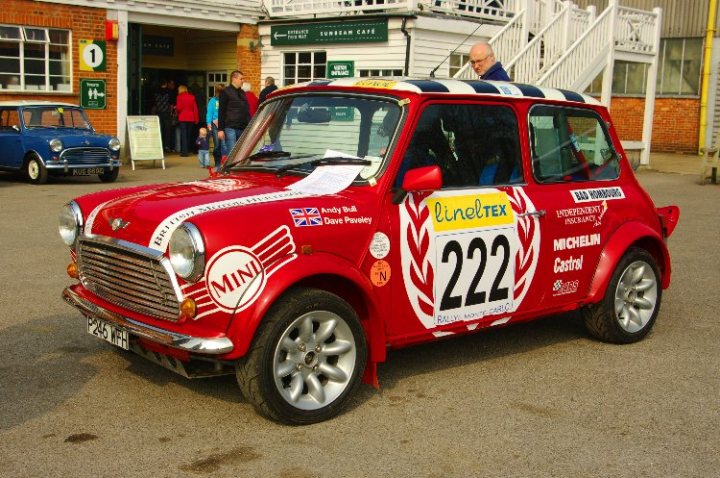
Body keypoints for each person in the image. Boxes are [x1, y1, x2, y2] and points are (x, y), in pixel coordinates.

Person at [218, 70, 250, 156]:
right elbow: (221, 111)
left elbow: (246, 110)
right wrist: (220, 129)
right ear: (234, 79)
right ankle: (229, 169)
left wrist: (249, 125)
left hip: (242, 127)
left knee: (240, 153)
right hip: (230, 127)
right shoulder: (225, 92)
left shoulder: (242, 93)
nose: (243, 81)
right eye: (241, 79)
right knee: (232, 152)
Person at [175, 84, 199, 157]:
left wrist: (176, 109)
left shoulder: (179, 97)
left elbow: (179, 108)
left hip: (182, 117)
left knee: (183, 135)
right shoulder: (192, 97)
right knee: (188, 135)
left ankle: (184, 152)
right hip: (191, 118)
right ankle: (187, 149)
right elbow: (195, 109)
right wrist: (196, 118)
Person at [206, 83, 225, 170]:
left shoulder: (226, 100)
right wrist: (209, 123)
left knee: (224, 145)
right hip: (214, 125)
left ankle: (223, 162)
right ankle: (217, 162)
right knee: (217, 145)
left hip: (224, 123)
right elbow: (209, 112)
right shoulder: (212, 101)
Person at [153, 79, 175, 152]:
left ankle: (159, 145)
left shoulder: (155, 92)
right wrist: (171, 113)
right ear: (166, 84)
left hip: (158, 113)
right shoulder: (169, 92)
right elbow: (171, 104)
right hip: (166, 113)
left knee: (159, 130)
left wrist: (153, 113)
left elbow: (154, 105)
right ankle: (166, 146)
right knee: (167, 130)